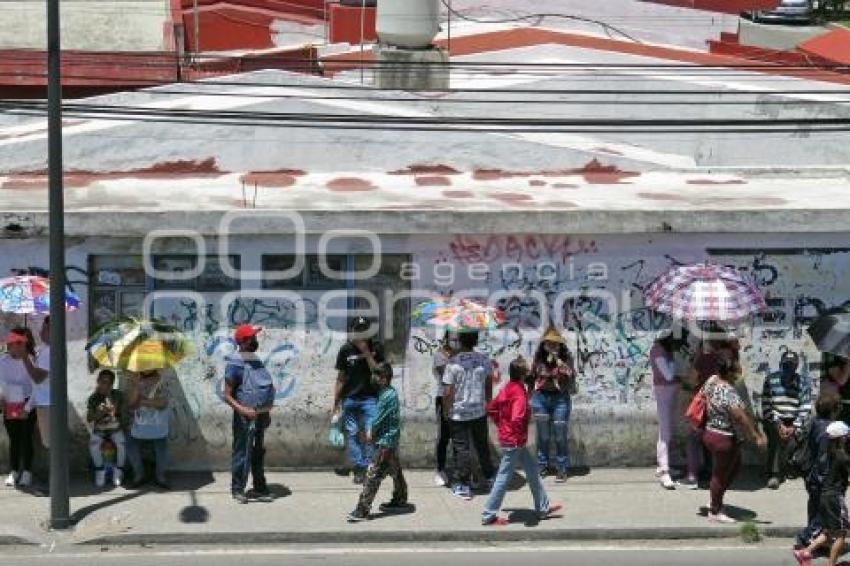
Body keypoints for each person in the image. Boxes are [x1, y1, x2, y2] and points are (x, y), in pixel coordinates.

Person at [482, 356, 562, 526]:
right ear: (523, 374)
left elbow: (491, 407)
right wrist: (514, 434)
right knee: (503, 477)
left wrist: (501, 424)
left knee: (532, 472)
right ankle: (488, 515)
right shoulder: (518, 393)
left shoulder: (510, 387)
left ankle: (542, 507)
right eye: (527, 370)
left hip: (513, 439)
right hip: (515, 441)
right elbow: (517, 417)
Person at [702, 355, 767, 523]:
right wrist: (756, 436)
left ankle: (716, 499)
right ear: (730, 372)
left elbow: (703, 395)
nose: (740, 372)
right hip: (723, 437)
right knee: (720, 474)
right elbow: (740, 417)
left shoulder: (712, 380)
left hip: (710, 432)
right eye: (737, 369)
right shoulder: (728, 391)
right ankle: (715, 511)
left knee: (734, 466)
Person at [347, 362, 409, 522]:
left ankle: (362, 510)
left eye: (376, 375)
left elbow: (378, 418)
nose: (373, 378)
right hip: (390, 440)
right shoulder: (387, 393)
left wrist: (370, 433)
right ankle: (400, 499)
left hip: (385, 442)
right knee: (395, 470)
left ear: (384, 379)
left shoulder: (387, 396)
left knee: (373, 475)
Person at [442, 330, 496, 501]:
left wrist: (446, 409)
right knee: (482, 446)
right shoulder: (484, 360)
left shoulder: (453, 363)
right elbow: (488, 384)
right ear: (475, 340)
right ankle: (490, 478)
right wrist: (488, 403)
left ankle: (463, 485)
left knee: (462, 449)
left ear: (459, 341)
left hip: (459, 413)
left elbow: (448, 391)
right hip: (479, 411)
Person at [224, 324, 275, 504]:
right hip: (244, 416)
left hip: (260, 415)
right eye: (252, 338)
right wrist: (243, 410)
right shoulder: (235, 363)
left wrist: (266, 412)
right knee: (241, 452)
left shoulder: (254, 359)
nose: (255, 340)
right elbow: (227, 395)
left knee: (258, 451)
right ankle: (237, 489)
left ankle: (260, 487)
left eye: (255, 337)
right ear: (243, 342)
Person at [334, 317, 385, 485]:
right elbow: (341, 378)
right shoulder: (345, 350)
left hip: (370, 399)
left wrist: (367, 353)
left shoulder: (376, 348)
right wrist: (336, 401)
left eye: (364, 331)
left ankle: (370, 467)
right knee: (352, 434)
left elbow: (378, 374)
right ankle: (359, 468)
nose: (361, 335)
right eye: (358, 330)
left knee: (370, 435)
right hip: (350, 398)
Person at [794, 421, 850, 566]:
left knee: (829, 532)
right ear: (842, 438)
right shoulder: (842, 457)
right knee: (842, 533)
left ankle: (805, 552)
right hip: (834, 498)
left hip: (825, 495)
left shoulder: (830, 453)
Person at [529, 326, 576, 483]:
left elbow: (568, 374)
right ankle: (542, 465)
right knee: (543, 435)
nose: (552, 346)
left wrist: (557, 360)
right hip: (541, 398)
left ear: (560, 345)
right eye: (548, 343)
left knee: (560, 433)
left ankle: (562, 467)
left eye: (555, 343)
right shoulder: (539, 358)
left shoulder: (566, 357)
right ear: (544, 344)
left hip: (560, 398)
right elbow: (534, 374)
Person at [797, 392, 841, 550]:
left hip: (809, 473)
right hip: (819, 477)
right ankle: (805, 538)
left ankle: (816, 540)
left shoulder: (814, 422)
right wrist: (825, 479)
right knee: (821, 513)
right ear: (834, 410)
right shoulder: (828, 429)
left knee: (814, 507)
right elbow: (823, 458)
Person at [762, 351, 812, 489]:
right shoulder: (770, 380)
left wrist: (794, 426)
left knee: (806, 431)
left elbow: (805, 407)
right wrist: (779, 424)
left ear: (796, 367)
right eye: (786, 365)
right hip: (775, 419)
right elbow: (766, 406)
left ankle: (791, 465)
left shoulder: (803, 382)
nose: (788, 368)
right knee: (776, 435)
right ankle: (775, 474)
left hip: (794, 419)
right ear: (780, 365)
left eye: (792, 366)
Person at [0, 329, 36, 488]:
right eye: (8, 342)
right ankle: (14, 471)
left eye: (13, 342)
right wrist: (2, 399)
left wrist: (27, 408)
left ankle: (27, 472)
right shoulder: (3, 361)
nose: (9, 345)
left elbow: (37, 387)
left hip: (27, 402)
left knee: (26, 438)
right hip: (9, 403)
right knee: (14, 439)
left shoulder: (32, 360)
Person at [650, 330, 686, 490]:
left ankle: (663, 466)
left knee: (666, 430)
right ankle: (664, 471)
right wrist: (678, 365)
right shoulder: (658, 351)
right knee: (665, 432)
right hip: (665, 390)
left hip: (669, 391)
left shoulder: (663, 350)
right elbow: (669, 374)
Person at [126, 369, 170, 490]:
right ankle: (139, 474)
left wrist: (143, 401)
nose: (145, 367)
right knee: (129, 443)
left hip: (157, 424)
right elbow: (131, 404)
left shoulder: (162, 381)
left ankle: (160, 476)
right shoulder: (136, 381)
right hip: (139, 424)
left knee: (161, 446)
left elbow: (162, 403)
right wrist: (136, 386)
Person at [86, 369, 127, 488]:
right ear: (98, 382)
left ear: (112, 384)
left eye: (109, 383)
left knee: (121, 443)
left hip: (115, 428)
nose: (105, 385)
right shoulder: (93, 398)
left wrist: (114, 414)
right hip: (100, 430)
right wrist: (100, 412)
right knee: (93, 445)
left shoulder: (118, 395)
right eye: (103, 382)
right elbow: (90, 418)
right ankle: (100, 471)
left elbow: (124, 416)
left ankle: (118, 472)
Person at [432, 331, 457, 488]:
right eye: (453, 338)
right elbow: (446, 377)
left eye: (457, 338)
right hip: (444, 398)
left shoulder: (462, 355)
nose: (455, 341)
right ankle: (440, 469)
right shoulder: (439, 355)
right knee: (444, 436)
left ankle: (459, 469)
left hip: (460, 400)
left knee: (459, 437)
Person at [27, 317, 50, 451]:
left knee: (51, 442)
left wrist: (24, 357)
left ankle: (57, 472)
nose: (41, 332)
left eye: (44, 329)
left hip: (47, 403)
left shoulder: (49, 351)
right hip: (44, 402)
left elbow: (37, 378)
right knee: (49, 442)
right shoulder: (44, 350)